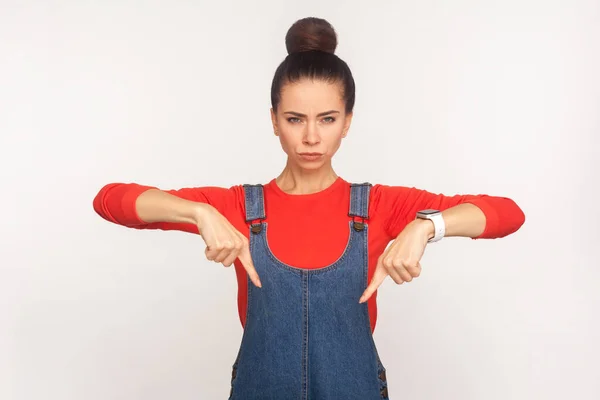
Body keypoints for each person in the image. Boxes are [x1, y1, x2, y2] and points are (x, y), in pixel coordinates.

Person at [93, 17, 525, 400]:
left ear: (348, 122)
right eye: (295, 119)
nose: (312, 138)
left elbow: (507, 214)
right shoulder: (238, 207)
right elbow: (111, 201)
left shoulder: (379, 205)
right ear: (274, 120)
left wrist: (425, 227)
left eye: (328, 119)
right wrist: (200, 214)